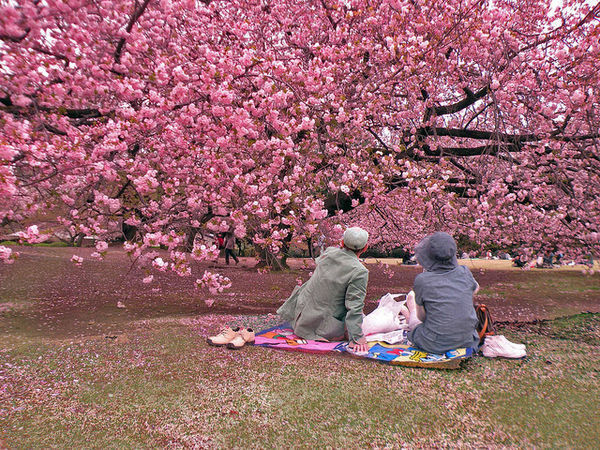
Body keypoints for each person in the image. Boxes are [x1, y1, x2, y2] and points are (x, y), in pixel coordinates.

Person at [277, 226, 370, 352]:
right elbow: (354, 306)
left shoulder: (329, 252)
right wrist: (357, 337)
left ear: (342, 242)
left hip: (299, 316)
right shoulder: (359, 271)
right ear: (365, 248)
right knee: (369, 321)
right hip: (320, 327)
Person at [401, 231, 480, 354]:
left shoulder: (422, 280)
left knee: (415, 323)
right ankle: (409, 311)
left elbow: (422, 317)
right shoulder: (464, 272)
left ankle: (410, 310)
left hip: (434, 342)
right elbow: (475, 288)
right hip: (467, 339)